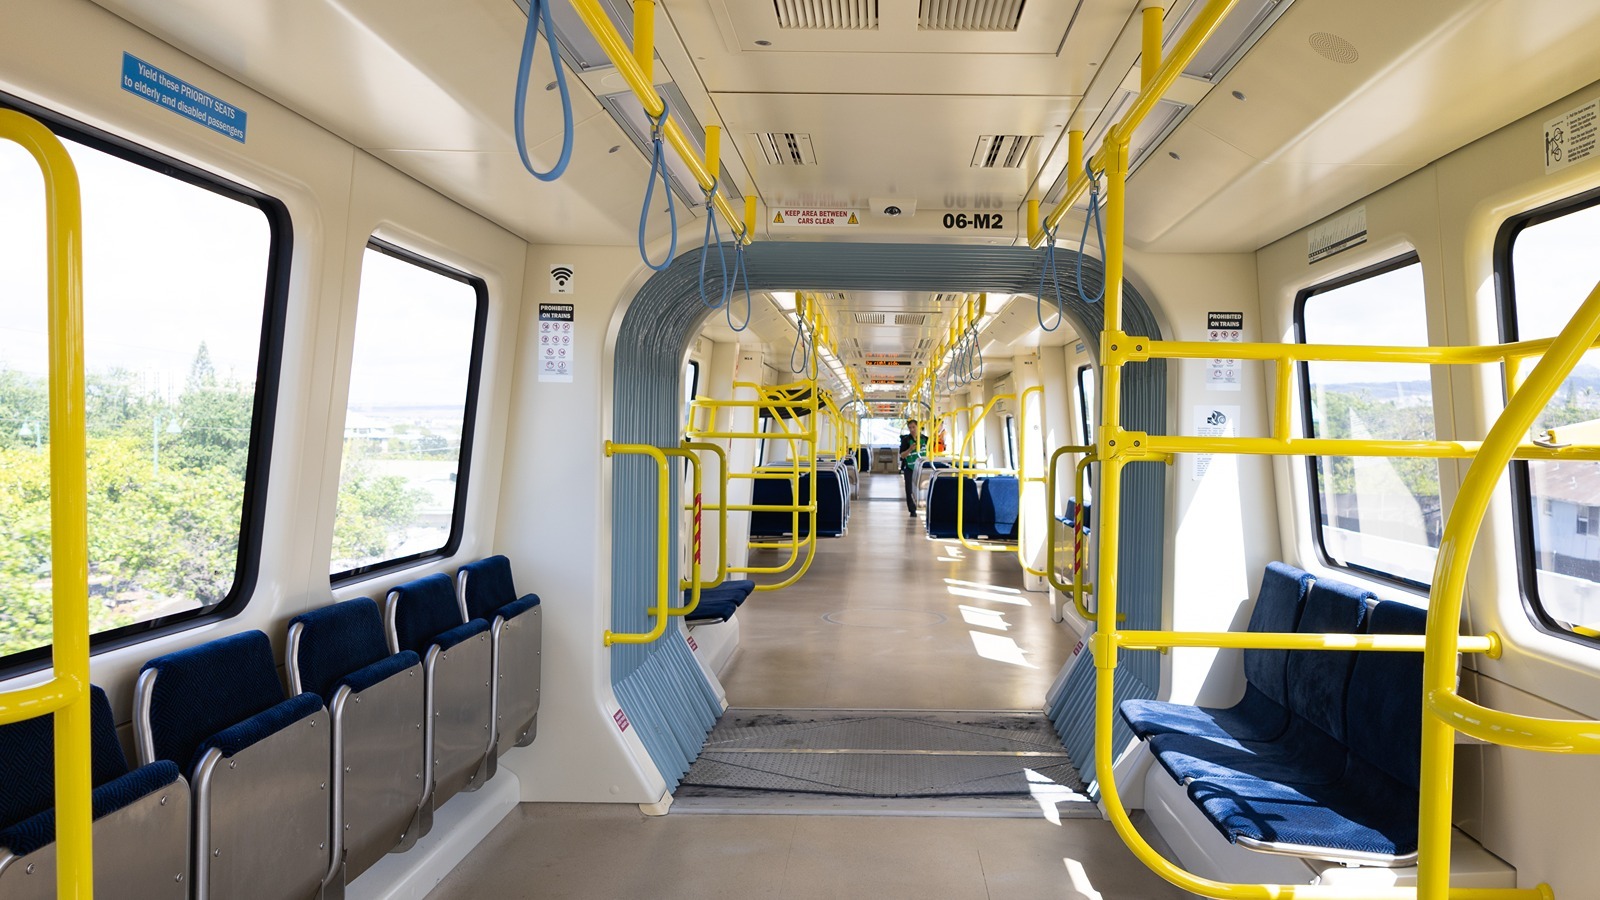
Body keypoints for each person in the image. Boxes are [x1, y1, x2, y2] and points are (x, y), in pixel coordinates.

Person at [899, 418, 928, 515]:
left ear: (918, 427)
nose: (912, 429)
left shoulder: (925, 439)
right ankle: (912, 510)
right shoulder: (906, 440)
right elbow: (902, 455)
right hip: (910, 467)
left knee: (923, 487)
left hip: (922, 467)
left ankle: (924, 505)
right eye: (910, 428)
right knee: (909, 489)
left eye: (913, 427)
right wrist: (910, 449)